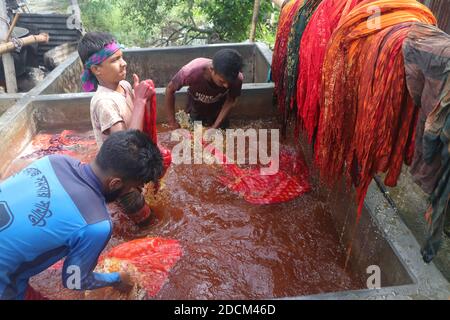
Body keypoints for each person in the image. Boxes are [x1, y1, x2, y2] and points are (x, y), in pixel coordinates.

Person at [0, 130, 163, 300]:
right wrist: (117, 279)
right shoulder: (96, 224)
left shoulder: (54, 160)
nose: (134, 192)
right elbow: (73, 281)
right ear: (115, 184)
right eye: (133, 187)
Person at [77, 32, 156, 227]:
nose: (124, 63)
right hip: (121, 177)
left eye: (122, 56)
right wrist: (140, 101)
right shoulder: (104, 102)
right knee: (146, 223)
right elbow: (126, 147)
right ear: (96, 69)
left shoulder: (124, 86)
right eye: (115, 60)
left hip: (131, 170)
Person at [165, 48, 244, 130]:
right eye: (222, 81)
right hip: (196, 105)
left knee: (222, 132)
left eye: (229, 82)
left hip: (219, 108)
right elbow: (170, 89)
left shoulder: (237, 79)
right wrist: (172, 122)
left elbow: (230, 100)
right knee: (193, 131)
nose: (226, 86)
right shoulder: (191, 71)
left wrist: (214, 127)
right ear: (212, 70)